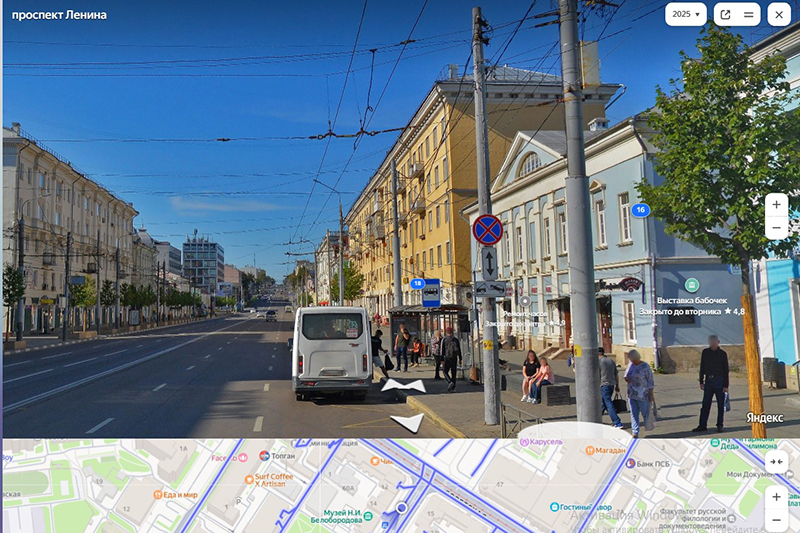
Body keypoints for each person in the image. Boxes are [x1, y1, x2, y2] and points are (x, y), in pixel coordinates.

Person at [693, 335, 729, 433]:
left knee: (720, 404)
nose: (713, 344)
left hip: (719, 381)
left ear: (718, 342)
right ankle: (702, 425)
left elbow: (726, 370)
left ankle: (720, 424)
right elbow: (702, 367)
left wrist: (726, 385)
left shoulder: (722, 354)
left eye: (714, 342)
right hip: (709, 380)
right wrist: (701, 381)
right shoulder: (705, 352)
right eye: (711, 342)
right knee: (705, 404)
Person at [623, 350, 655, 438]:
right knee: (633, 413)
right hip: (632, 393)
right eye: (631, 360)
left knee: (645, 412)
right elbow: (626, 375)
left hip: (643, 394)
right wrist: (626, 378)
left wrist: (651, 394)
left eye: (633, 360)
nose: (632, 361)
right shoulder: (630, 365)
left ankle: (648, 425)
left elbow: (650, 381)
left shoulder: (645, 366)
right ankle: (635, 432)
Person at [598, 347, 623, 429]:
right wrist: (617, 385)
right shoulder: (611, 361)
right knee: (603, 404)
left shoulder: (599, 362)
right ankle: (596, 421)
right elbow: (616, 374)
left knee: (608, 403)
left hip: (603, 385)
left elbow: (596, 375)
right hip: (611, 384)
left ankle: (617, 422)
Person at [441, 327, 462, 392]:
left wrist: (442, 359)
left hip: (447, 358)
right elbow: (459, 349)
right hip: (454, 358)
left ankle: (450, 382)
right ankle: (453, 388)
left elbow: (442, 350)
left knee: (445, 371)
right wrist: (460, 358)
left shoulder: (444, 340)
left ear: (446, 332)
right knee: (454, 373)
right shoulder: (456, 340)